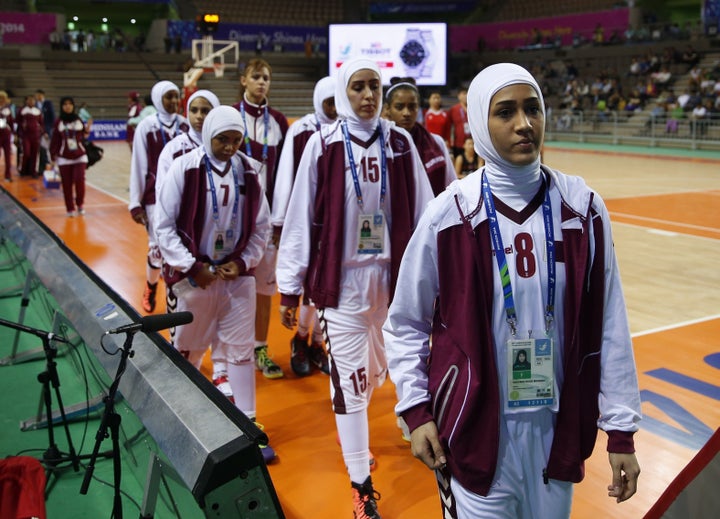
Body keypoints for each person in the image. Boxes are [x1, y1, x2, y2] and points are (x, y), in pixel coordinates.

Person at [383, 63, 642, 519]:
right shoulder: (449, 214)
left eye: (533, 108)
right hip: (474, 431)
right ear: (480, 122)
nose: (525, 124)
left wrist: (620, 430)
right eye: (506, 112)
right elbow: (405, 321)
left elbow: (610, 323)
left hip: (556, 431)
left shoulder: (582, 209)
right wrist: (416, 409)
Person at [276, 57, 434, 519]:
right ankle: (361, 486)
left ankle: (370, 441)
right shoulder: (323, 145)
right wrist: (289, 288)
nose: (367, 95)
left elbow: (426, 217)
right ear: (344, 92)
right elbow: (302, 216)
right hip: (341, 285)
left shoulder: (401, 144)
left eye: (374, 86)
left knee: (381, 376)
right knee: (350, 387)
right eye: (358, 87)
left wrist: (435, 279)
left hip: (392, 284)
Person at [154, 105, 275, 462]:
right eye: (223, 138)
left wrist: (243, 262)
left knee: (240, 351)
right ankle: (180, 420)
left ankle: (250, 428)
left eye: (236, 139)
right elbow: (164, 226)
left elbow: (262, 227)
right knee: (188, 352)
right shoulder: (185, 167)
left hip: (235, 278)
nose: (230, 146)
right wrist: (191, 266)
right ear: (208, 135)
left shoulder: (250, 171)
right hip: (196, 279)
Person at [271, 76, 336, 377]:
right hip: (308, 219)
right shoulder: (301, 130)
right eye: (329, 102)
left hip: (339, 221)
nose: (335, 108)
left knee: (332, 287)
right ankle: (300, 338)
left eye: (339, 101)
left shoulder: (348, 130)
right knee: (310, 287)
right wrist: (280, 219)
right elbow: (286, 175)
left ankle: (318, 342)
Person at [232, 58, 289, 379]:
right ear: (243, 80)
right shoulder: (229, 115)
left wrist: (280, 221)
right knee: (232, 287)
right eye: (256, 77)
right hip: (233, 221)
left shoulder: (279, 121)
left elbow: (284, 175)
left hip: (266, 222)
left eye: (266, 77)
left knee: (265, 288)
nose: (262, 82)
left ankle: (260, 348)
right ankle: (230, 352)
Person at [129, 80, 188, 314]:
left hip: (183, 198)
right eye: (169, 97)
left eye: (176, 97)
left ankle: (176, 295)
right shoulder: (146, 126)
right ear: (157, 99)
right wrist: (136, 203)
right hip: (155, 199)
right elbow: (138, 165)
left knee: (180, 247)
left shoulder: (184, 126)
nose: (174, 102)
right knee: (157, 248)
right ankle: (151, 286)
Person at [383, 78, 455, 197]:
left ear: (418, 108)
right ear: (387, 109)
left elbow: (451, 187)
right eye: (399, 107)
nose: (406, 113)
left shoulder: (437, 142)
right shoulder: (380, 144)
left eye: (412, 107)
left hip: (433, 212)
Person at [49, 96, 89, 216]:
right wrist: (52, 156)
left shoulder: (78, 120)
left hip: (80, 156)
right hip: (64, 158)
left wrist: (88, 130)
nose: (68, 106)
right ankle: (69, 208)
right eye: (65, 104)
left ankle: (80, 204)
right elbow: (55, 140)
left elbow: (84, 136)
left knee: (80, 181)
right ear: (62, 107)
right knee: (66, 184)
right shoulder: (58, 122)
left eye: (70, 104)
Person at [16, 95, 43, 178]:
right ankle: (23, 170)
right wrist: (22, 126)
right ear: (26, 101)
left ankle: (33, 172)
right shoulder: (22, 110)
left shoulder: (38, 111)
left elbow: (41, 123)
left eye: (32, 100)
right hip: (26, 135)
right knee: (26, 153)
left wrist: (41, 130)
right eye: (29, 100)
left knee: (35, 154)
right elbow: (17, 121)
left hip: (36, 135)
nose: (31, 102)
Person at [447, 88, 469, 158]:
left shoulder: (473, 108)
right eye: (463, 94)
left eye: (467, 93)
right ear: (458, 96)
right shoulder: (454, 109)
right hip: (458, 143)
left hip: (472, 143)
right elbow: (448, 127)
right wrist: (450, 141)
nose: (466, 96)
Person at [0, 91, 15, 182]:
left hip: (6, 134)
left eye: (3, 99)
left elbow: (11, 122)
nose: (2, 100)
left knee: (7, 155)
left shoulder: (8, 109)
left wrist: (13, 133)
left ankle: (8, 175)